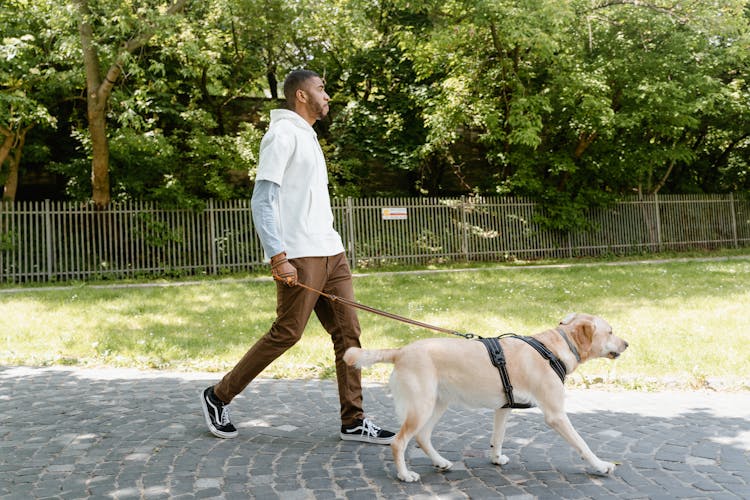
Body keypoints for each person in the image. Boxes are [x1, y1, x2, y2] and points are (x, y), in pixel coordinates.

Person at [200, 69, 395, 445]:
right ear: (301, 95)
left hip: (331, 251)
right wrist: (277, 255)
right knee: (287, 333)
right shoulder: (282, 134)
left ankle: (354, 420)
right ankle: (218, 395)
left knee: (348, 332)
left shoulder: (309, 136)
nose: (328, 95)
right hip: (300, 254)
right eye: (322, 88)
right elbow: (262, 199)